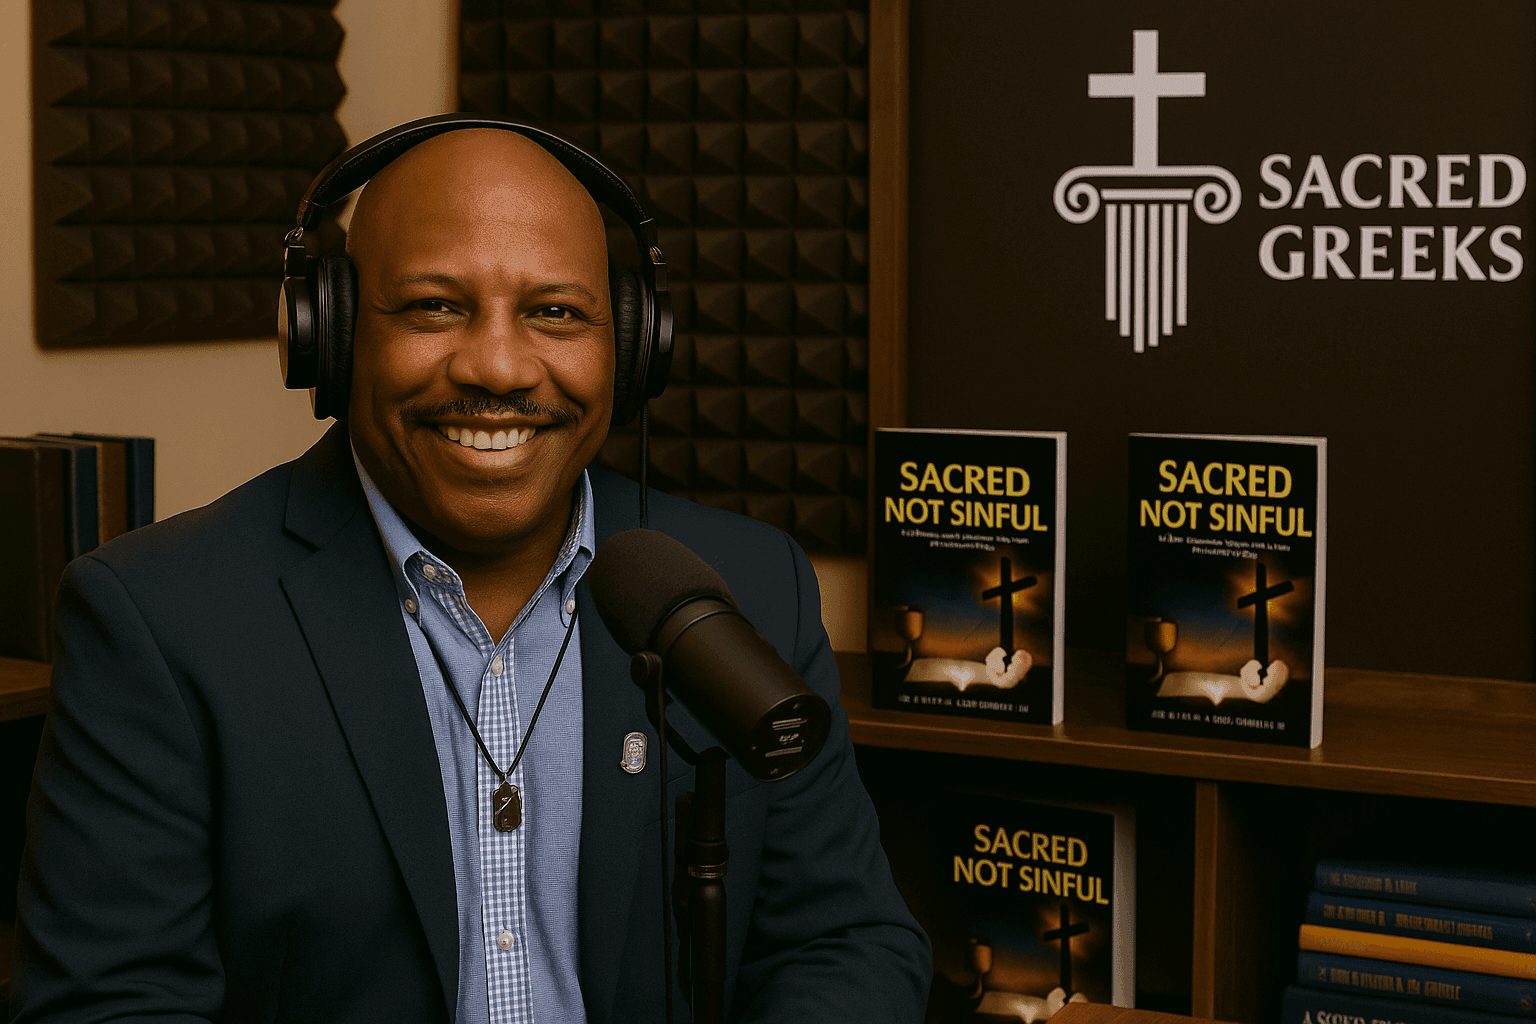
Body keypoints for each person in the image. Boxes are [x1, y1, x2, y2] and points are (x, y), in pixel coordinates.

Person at [11, 124, 930, 1022]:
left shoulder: (749, 585)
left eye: (556, 312)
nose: (498, 364)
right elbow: (108, 1002)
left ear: (636, 344)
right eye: (434, 307)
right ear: (327, 333)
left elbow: (846, 941)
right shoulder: (159, 618)